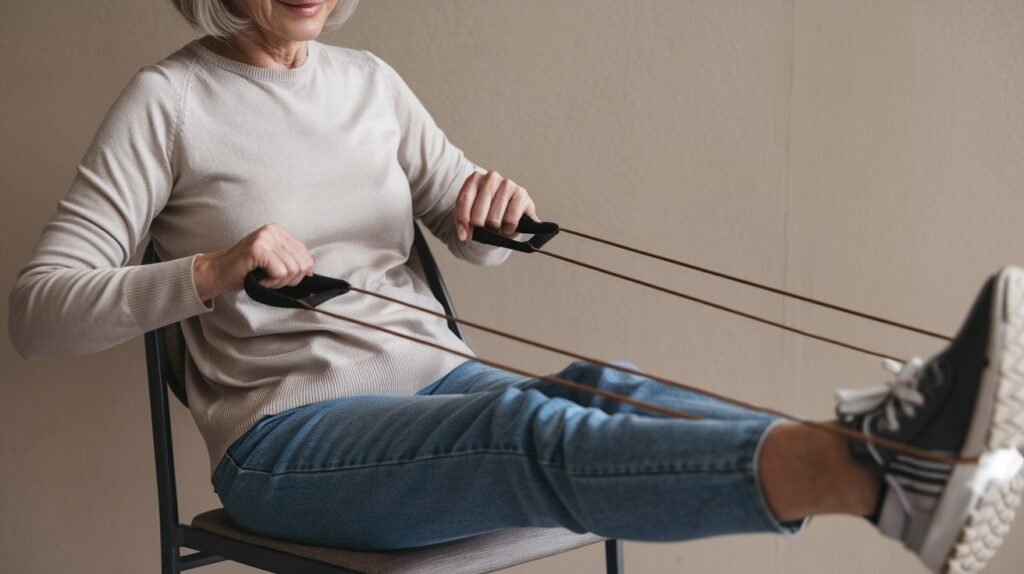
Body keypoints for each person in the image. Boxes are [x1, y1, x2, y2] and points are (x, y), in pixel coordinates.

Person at [7, 1, 1023, 572]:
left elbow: (465, 216)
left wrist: (485, 209)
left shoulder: (368, 83)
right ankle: (882, 474)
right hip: (291, 444)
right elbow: (36, 313)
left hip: (439, 392)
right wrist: (208, 272)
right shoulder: (169, 102)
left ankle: (889, 456)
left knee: (603, 387)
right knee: (535, 435)